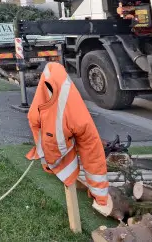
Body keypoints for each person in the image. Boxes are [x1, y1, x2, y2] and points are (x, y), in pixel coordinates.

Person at [26, 61, 111, 211]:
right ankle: (96, 193)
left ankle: (91, 192)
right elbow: (92, 152)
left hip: (60, 143)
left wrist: (100, 194)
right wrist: (101, 195)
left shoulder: (70, 114)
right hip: (60, 140)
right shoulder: (62, 105)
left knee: (88, 149)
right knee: (89, 149)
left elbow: (91, 150)